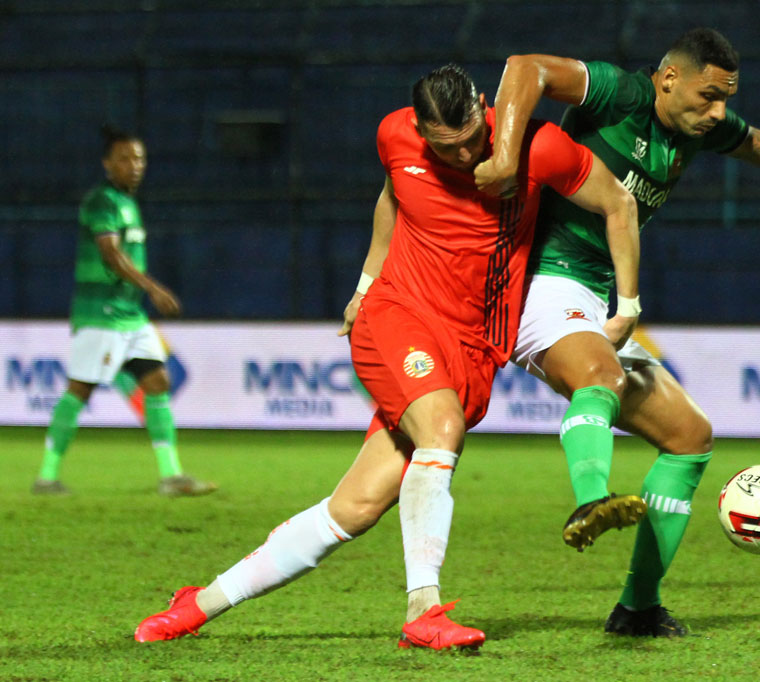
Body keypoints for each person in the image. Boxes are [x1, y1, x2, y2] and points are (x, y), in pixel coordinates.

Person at [134, 64, 640, 650]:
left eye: (472, 140)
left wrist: (626, 304)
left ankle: (197, 605)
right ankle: (424, 610)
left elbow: (619, 205)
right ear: (421, 131)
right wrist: (366, 286)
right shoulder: (394, 136)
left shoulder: (539, 147)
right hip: (399, 316)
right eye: (444, 148)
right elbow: (392, 199)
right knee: (442, 427)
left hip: (475, 344)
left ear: (484, 106)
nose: (461, 157)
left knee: (356, 507)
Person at [465, 27, 760, 637]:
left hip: (595, 295)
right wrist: (507, 153)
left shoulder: (699, 128)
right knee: (601, 375)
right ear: (668, 79)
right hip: (539, 279)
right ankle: (591, 496)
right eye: (708, 97)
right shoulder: (618, 94)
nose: (718, 113)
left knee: (690, 435)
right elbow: (525, 65)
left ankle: (638, 608)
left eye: (725, 100)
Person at [32, 126, 216, 498]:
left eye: (139, 158)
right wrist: (153, 287)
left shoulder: (128, 203)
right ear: (107, 163)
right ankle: (47, 477)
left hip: (129, 316)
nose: (134, 166)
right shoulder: (102, 201)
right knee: (80, 391)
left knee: (158, 382)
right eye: (124, 158)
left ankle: (171, 476)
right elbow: (111, 255)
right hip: (100, 313)